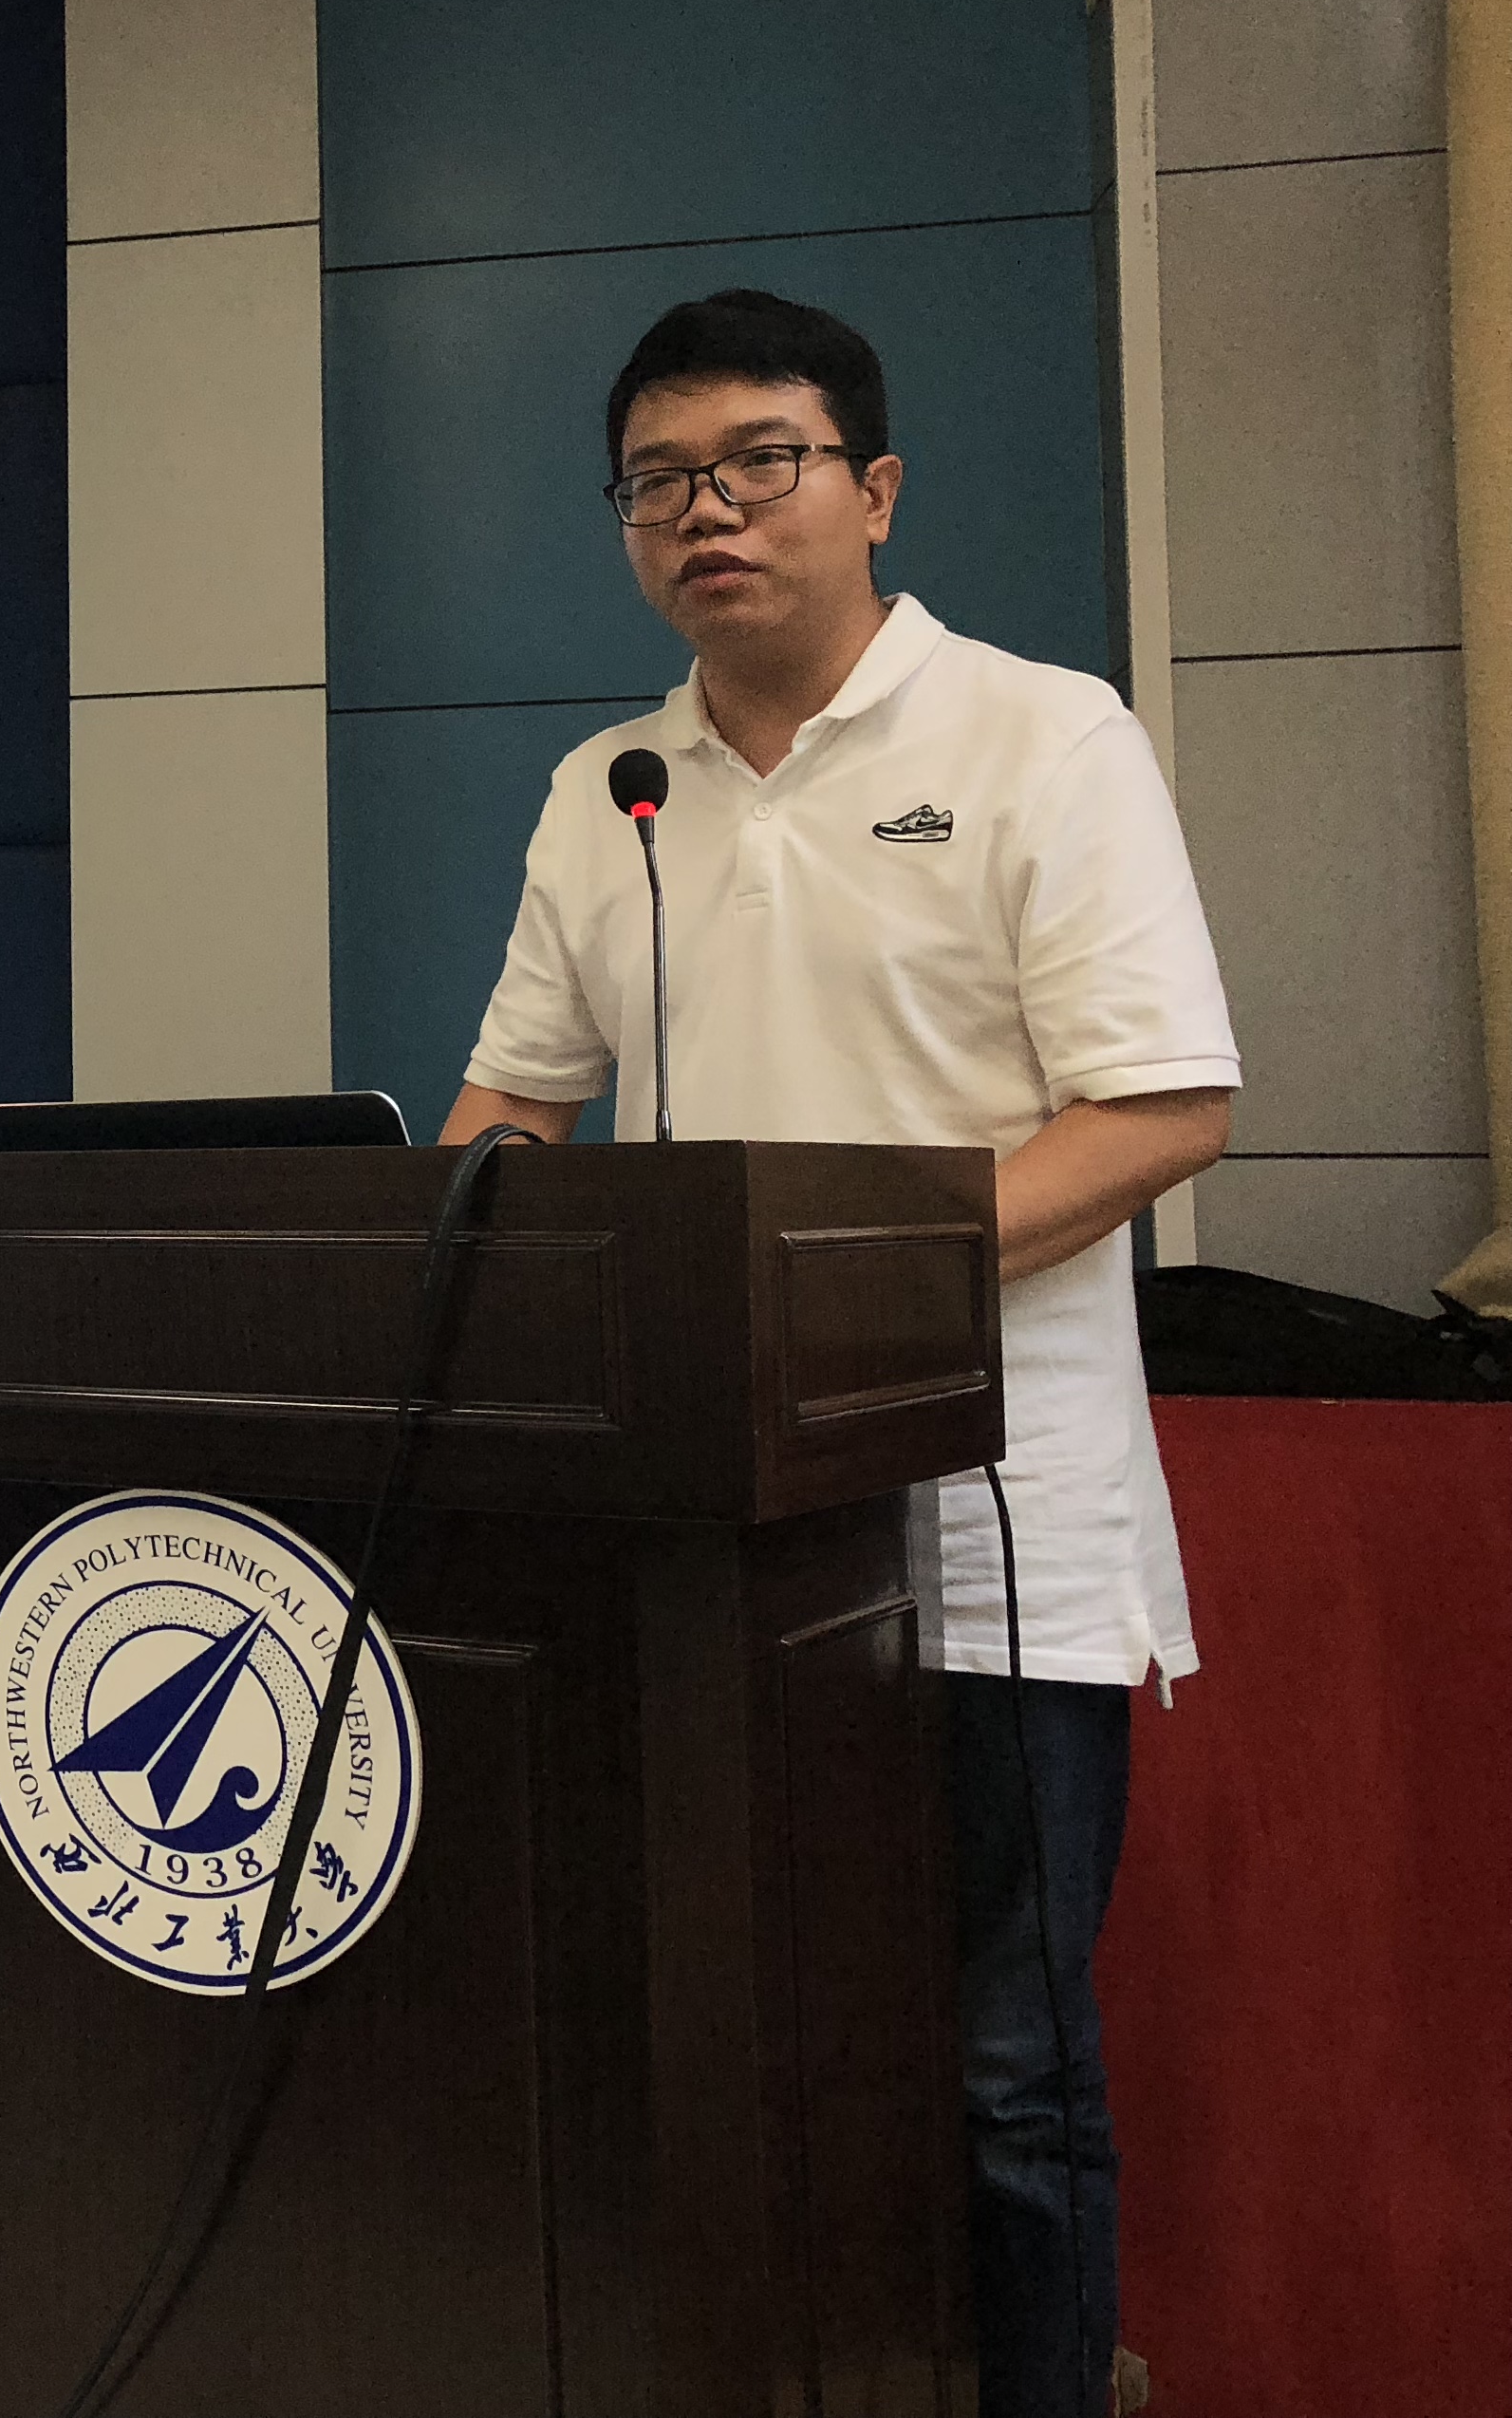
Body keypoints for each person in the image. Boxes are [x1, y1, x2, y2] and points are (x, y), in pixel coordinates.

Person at [442, 290, 1236, 2418]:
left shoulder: (1042, 737)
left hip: (994, 1533)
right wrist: (446, 1245)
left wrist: (823, 1287)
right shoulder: (611, 788)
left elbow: (1161, 1110)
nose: (707, 510)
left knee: (1000, 2070)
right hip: (702, 1533)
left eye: (759, 462)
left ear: (872, 491)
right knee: (717, 2044)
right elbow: (515, 1107)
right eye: (658, 480)